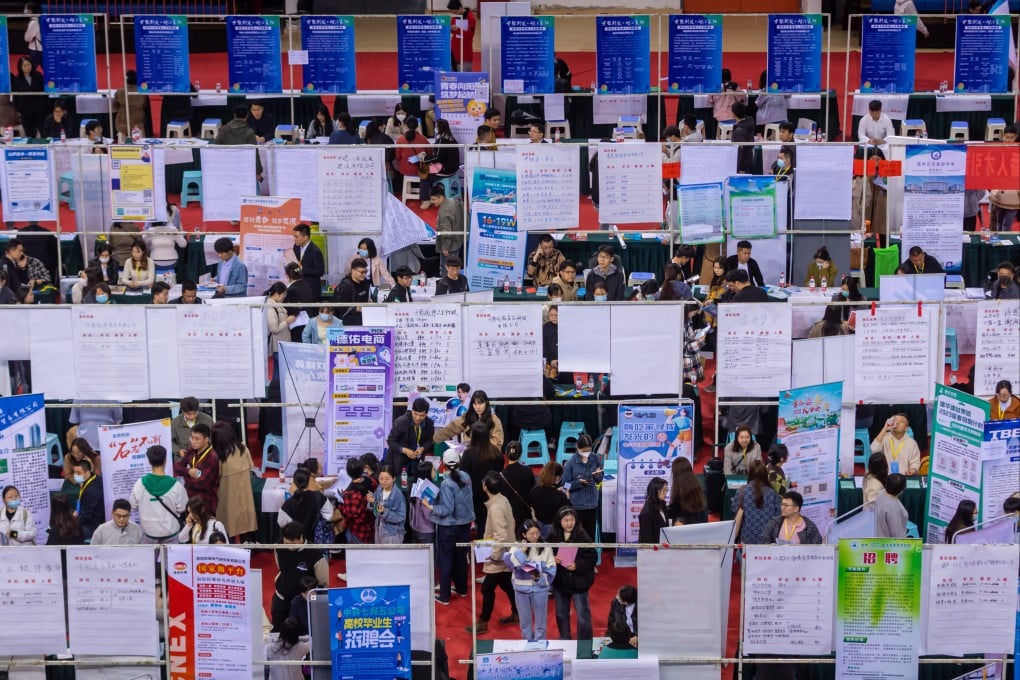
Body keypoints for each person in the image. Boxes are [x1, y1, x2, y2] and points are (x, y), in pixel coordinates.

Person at [468, 472, 519, 633]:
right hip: (506, 552)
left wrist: (494, 555)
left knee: (487, 588)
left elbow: (500, 535)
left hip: (499, 556)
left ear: (485, 487)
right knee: (507, 584)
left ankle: (483, 621)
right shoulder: (502, 500)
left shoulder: (496, 507)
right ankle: (517, 613)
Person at [429, 449, 475, 605]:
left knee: (446, 559)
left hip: (449, 527)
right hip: (465, 524)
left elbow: (447, 509)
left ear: (443, 464)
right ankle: (462, 589)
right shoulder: (467, 477)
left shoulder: (447, 484)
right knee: (461, 558)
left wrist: (430, 507)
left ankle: (444, 596)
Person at [271, 522, 328, 631]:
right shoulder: (279, 546)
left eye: (292, 543)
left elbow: (323, 582)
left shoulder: (315, 553)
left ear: (301, 538)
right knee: (278, 631)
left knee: (302, 634)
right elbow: (281, 567)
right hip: (281, 598)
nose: (289, 547)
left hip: (302, 603)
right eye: (286, 543)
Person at [550, 507, 596, 640]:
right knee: (561, 614)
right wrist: (552, 557)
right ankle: (565, 641)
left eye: (572, 520)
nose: (569, 523)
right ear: (559, 521)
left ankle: (585, 643)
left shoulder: (583, 535)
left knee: (583, 616)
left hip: (579, 582)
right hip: (560, 582)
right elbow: (544, 552)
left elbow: (592, 556)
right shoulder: (553, 535)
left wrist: (578, 565)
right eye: (566, 520)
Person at [506, 519, 556, 641]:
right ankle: (527, 645)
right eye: (531, 534)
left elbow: (551, 569)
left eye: (537, 533)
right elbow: (510, 564)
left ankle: (539, 646)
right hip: (521, 589)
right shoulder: (515, 546)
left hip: (540, 590)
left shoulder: (545, 547)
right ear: (523, 535)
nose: (535, 536)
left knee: (541, 623)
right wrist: (522, 551)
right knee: (525, 623)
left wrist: (539, 577)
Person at [130, 445, 188, 543]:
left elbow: (132, 504)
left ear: (149, 461)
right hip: (171, 535)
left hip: (148, 536)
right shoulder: (176, 486)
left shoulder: (140, 484)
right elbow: (182, 508)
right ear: (165, 460)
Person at [212, 421, 257, 541]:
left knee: (227, 526)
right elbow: (251, 466)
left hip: (226, 498)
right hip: (244, 496)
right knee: (246, 524)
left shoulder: (217, 455)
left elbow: (214, 477)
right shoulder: (243, 448)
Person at [458, 420, 506, 532]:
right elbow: (500, 471)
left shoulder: (468, 454)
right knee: (485, 526)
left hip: (474, 496)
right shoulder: (496, 453)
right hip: (491, 495)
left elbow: (463, 475)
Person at [174, 422, 221, 514]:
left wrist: (186, 480)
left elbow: (202, 483)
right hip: (190, 499)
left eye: (197, 439)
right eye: (192, 438)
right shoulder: (192, 450)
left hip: (205, 502)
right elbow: (177, 467)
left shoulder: (212, 457)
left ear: (206, 439)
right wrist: (188, 472)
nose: (193, 441)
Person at [562, 434, 602, 540]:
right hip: (578, 505)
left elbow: (600, 477)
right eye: (584, 450)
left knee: (591, 535)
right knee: (578, 535)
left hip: (592, 503)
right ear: (578, 447)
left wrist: (598, 475)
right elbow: (565, 485)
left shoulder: (594, 458)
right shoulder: (570, 463)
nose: (587, 453)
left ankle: (591, 555)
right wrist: (578, 483)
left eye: (588, 450)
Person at [732, 460, 782, 544]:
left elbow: (734, 509)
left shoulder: (743, 490)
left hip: (747, 538)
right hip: (767, 539)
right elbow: (779, 515)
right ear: (765, 474)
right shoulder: (773, 493)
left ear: (750, 473)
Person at [279, 467, 334, 544]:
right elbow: (329, 515)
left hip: (295, 542)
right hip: (315, 540)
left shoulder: (289, 502)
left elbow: (281, 522)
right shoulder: (319, 497)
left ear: (294, 482)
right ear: (308, 482)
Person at [434, 389, 505, 448]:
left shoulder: (494, 419)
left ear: (486, 403)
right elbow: (452, 428)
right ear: (472, 405)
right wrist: (435, 438)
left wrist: (478, 444)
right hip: (470, 455)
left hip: (488, 455)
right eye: (475, 404)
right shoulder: (467, 416)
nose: (478, 407)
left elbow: (498, 441)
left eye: (480, 403)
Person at [386, 398, 435, 482]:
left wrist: (422, 448)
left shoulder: (429, 423)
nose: (418, 418)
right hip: (400, 461)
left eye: (421, 415)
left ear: (426, 414)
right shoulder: (401, 422)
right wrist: (405, 450)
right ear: (411, 410)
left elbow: (430, 441)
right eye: (415, 414)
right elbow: (390, 441)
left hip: (417, 461)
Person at [213, 106, 263, 182]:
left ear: (234, 115)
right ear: (247, 116)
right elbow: (254, 153)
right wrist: (258, 172)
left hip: (225, 167)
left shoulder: (223, 129)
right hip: (243, 169)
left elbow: (215, 147)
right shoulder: (249, 132)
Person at [394, 117, 432, 208]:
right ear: (417, 126)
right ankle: (425, 198)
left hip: (405, 169)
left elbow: (397, 157)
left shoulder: (400, 140)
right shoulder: (423, 139)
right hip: (421, 170)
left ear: (406, 125)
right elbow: (430, 154)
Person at [500, 441, 537, 529]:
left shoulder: (502, 475)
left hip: (509, 512)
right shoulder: (528, 471)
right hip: (525, 511)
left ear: (506, 453)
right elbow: (533, 490)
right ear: (521, 454)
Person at [340, 458, 376, 545]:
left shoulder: (350, 493)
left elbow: (350, 513)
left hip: (357, 530)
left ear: (348, 473)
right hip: (371, 526)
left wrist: (341, 505)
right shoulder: (372, 481)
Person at [531, 462, 570, 538]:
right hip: (554, 528)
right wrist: (567, 497)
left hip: (539, 525)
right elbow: (568, 510)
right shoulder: (560, 496)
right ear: (557, 477)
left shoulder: (534, 491)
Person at [370, 465, 407, 545]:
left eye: (387, 479)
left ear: (393, 478)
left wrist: (384, 512)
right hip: (379, 528)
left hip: (393, 533)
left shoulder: (398, 496)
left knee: (391, 557)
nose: (383, 481)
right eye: (381, 478)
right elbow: (376, 507)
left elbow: (401, 517)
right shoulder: (379, 488)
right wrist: (372, 501)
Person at [265, 616, 311, 680]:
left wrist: (284, 638)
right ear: (297, 633)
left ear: (282, 631)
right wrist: (300, 638)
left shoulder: (272, 648)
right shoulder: (300, 647)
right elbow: (313, 641)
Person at [10, 56, 46, 138]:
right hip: (26, 111)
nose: (27, 67)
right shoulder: (17, 79)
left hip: (40, 109)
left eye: (28, 64)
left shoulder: (38, 75)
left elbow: (44, 91)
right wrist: (19, 108)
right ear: (20, 67)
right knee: (29, 133)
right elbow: (16, 96)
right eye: (24, 66)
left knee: (43, 130)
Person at [71, 458, 104, 541]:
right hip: (86, 517)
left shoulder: (92, 490)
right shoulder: (93, 479)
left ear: (88, 473)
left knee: (67, 533)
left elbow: (86, 515)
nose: (75, 475)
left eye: (78, 473)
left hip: (93, 525)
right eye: (74, 472)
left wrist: (72, 524)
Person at [432, 187, 465, 271]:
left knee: (447, 271)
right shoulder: (453, 201)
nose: (432, 202)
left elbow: (446, 232)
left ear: (441, 197)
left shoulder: (445, 211)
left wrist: (445, 248)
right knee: (455, 269)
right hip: (458, 240)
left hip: (450, 247)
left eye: (434, 199)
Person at [170, 396, 213, 461]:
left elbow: (213, 438)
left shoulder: (207, 420)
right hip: (182, 460)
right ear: (182, 411)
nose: (192, 416)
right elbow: (170, 441)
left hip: (203, 459)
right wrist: (178, 451)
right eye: (188, 414)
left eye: (194, 413)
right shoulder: (175, 422)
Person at [668, 457, 708, 525]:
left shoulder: (679, 496)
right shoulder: (699, 490)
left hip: (684, 532)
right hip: (701, 530)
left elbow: (672, 513)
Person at [332, 258, 371, 326]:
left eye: (365, 272)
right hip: (347, 322)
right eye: (361, 272)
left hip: (363, 319)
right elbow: (341, 307)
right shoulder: (345, 286)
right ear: (353, 271)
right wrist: (356, 308)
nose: (364, 274)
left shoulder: (365, 283)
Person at [292, 223, 324, 300]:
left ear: (305, 237)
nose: (294, 239)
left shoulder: (315, 251)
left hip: (311, 289)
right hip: (297, 287)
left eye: (296, 237)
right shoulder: (296, 247)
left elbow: (320, 271)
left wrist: (303, 269)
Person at [113, 70, 147, 141]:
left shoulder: (120, 91)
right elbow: (145, 105)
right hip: (138, 122)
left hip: (123, 121)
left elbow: (115, 105)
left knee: (122, 142)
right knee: (139, 143)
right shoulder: (142, 92)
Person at [874, 473, 909, 538]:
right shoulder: (894, 509)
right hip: (888, 545)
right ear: (902, 490)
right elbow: (898, 535)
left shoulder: (881, 493)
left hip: (878, 537)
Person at [638, 477, 669, 543]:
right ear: (655, 491)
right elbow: (647, 539)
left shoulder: (662, 506)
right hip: (653, 550)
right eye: (663, 490)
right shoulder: (647, 512)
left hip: (663, 548)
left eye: (666, 490)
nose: (665, 493)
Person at [448, 0, 476, 71]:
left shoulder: (471, 18)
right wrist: (450, 28)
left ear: (460, 8)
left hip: (465, 52)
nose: (455, 14)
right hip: (454, 50)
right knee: (453, 75)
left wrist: (457, 29)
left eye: (455, 12)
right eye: (453, 12)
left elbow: (470, 35)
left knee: (465, 76)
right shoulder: (455, 16)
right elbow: (452, 28)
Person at [731, 102, 756, 174]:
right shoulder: (749, 122)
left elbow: (740, 152)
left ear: (733, 114)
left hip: (743, 166)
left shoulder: (739, 132)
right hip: (749, 159)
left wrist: (738, 168)